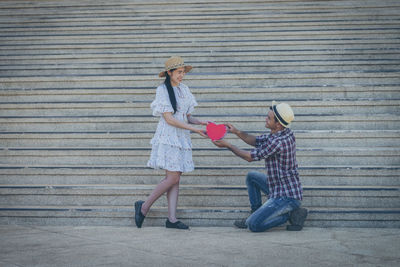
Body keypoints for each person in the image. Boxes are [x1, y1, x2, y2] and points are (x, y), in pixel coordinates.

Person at [134, 56, 208, 230]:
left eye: (183, 72)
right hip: (168, 137)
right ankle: (143, 207)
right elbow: (169, 119)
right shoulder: (162, 90)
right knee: (173, 177)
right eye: (179, 72)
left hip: (181, 137)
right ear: (169, 73)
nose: (182, 75)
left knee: (176, 178)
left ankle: (172, 219)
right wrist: (194, 129)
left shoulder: (185, 89)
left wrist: (203, 123)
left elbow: (187, 116)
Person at [212, 101, 308, 232]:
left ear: (278, 124)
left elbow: (249, 157)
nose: (265, 119)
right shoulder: (282, 133)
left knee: (253, 225)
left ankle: (288, 215)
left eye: (269, 118)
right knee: (252, 176)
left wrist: (228, 145)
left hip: (286, 197)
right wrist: (236, 131)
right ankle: (256, 212)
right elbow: (256, 141)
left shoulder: (278, 142)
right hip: (277, 188)